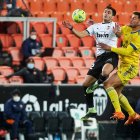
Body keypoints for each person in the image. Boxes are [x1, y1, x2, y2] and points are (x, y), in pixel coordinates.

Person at [62, 5, 119, 120]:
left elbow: (120, 34)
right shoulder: (95, 27)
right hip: (100, 58)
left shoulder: (115, 26)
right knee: (85, 84)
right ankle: (91, 109)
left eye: (109, 13)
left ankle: (97, 85)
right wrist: (71, 28)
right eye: (105, 12)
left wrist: (117, 33)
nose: (106, 14)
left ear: (112, 16)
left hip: (112, 54)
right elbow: (81, 35)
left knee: (105, 71)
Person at [97, 11, 140, 125]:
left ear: (139, 22)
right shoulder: (127, 28)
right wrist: (116, 33)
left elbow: (126, 51)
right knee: (116, 92)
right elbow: (119, 32)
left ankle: (119, 112)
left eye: (134, 18)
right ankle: (132, 114)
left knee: (107, 84)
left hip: (130, 67)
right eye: (131, 18)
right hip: (123, 65)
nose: (131, 20)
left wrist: (110, 48)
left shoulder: (138, 37)